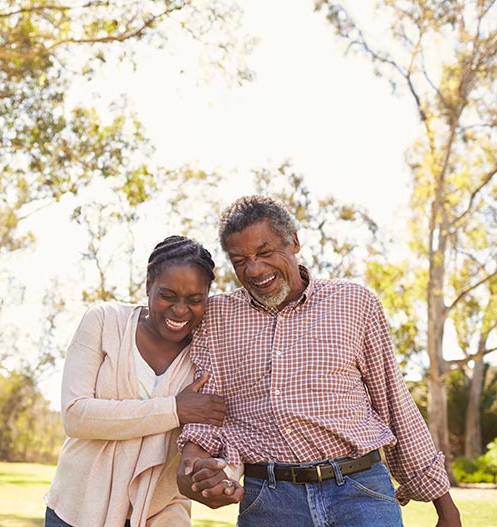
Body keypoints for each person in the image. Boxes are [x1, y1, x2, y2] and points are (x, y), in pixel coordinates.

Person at [175, 195, 462, 527]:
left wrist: (446, 507)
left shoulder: (355, 303)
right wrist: (195, 468)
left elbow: (394, 401)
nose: (254, 269)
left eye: (265, 252)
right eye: (240, 260)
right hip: (269, 500)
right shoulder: (217, 318)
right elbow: (205, 412)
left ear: (294, 242)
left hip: (360, 491)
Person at [44, 235, 227, 527]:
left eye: (194, 300)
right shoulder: (104, 322)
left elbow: (214, 429)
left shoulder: (207, 354)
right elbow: (75, 416)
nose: (180, 310)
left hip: (160, 512)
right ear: (148, 286)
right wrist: (174, 410)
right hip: (77, 509)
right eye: (168, 295)